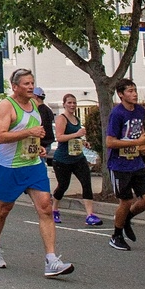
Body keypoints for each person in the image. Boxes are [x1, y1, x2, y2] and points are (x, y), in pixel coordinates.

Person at [0, 68, 73, 277]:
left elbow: (32, 135)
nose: (30, 87)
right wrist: (29, 132)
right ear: (15, 86)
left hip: (33, 164)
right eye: (26, 83)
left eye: (32, 83)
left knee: (45, 207)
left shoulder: (34, 104)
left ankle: (51, 260)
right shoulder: (6, 105)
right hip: (10, 167)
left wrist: (38, 146)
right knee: (4, 208)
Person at [106, 79, 145, 251]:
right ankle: (116, 235)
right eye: (130, 91)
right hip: (119, 165)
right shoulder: (117, 114)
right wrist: (134, 143)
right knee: (125, 201)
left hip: (137, 163)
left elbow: (139, 131)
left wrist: (144, 143)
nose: (134, 94)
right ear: (120, 94)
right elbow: (110, 142)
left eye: (135, 90)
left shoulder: (140, 110)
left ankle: (127, 218)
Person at [51, 94, 101, 226]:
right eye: (69, 103)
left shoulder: (76, 119)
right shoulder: (62, 118)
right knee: (63, 186)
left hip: (78, 158)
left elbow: (75, 138)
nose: (72, 105)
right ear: (64, 104)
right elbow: (60, 137)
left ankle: (90, 215)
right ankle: (54, 209)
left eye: (74, 103)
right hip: (62, 159)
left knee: (86, 183)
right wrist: (77, 134)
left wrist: (83, 142)